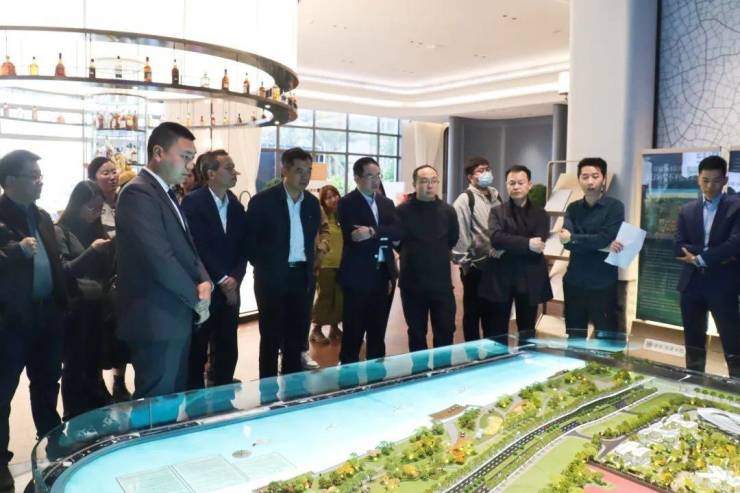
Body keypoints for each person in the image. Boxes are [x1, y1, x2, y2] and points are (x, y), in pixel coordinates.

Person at [115, 122, 212, 399]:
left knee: (170, 399)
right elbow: (159, 258)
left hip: (174, 316)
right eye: (186, 157)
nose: (191, 166)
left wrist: (205, 281)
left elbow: (188, 250)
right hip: (156, 318)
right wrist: (196, 298)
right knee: (154, 405)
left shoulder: (166, 192)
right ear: (158, 153)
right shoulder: (137, 192)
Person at [0, 150, 68, 493]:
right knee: (2, 394)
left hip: (47, 317)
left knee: (46, 384)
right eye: (33, 175)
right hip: (10, 321)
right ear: (11, 180)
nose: (40, 181)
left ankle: (50, 447)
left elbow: (55, 264)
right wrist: (16, 251)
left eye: (40, 175)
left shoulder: (41, 216)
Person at [245, 147, 321, 378]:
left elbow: (312, 239)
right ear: (284, 170)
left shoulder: (311, 203)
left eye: (308, 171)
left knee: (296, 338)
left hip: (302, 277)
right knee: (270, 337)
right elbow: (250, 242)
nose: (305, 176)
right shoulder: (263, 202)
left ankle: (292, 388)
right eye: (299, 171)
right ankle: (267, 390)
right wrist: (267, 266)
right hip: (272, 277)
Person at [181, 150, 248, 388]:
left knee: (227, 346)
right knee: (198, 348)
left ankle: (224, 393)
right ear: (211, 174)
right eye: (228, 168)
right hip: (205, 286)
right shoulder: (193, 202)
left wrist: (235, 278)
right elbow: (197, 247)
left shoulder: (236, 206)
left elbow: (243, 246)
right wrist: (221, 279)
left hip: (231, 288)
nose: (235, 172)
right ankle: (195, 399)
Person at [674, 155, 740, 377]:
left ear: (725, 180)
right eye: (705, 180)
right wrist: (714, 253)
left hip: (723, 285)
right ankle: (693, 383)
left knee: (733, 342)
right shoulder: (687, 210)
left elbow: (735, 244)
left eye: (716, 181)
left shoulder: (736, 207)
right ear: (698, 179)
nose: (710, 186)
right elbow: (678, 246)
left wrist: (700, 257)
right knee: (693, 343)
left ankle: (736, 388)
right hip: (691, 285)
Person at [55, 180, 115, 419]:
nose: (95, 213)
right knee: (75, 364)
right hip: (75, 308)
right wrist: (92, 251)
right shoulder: (61, 230)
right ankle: (73, 414)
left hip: (98, 306)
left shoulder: (97, 229)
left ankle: (95, 411)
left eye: (99, 208)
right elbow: (64, 271)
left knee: (94, 360)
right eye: (91, 208)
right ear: (77, 205)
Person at [337, 157, 401, 364]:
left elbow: (397, 231)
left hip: (383, 275)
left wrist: (373, 231)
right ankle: (348, 376)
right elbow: (354, 236)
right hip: (357, 276)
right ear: (357, 178)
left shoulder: (386, 203)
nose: (375, 180)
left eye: (378, 175)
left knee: (378, 331)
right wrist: (383, 232)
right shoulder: (347, 203)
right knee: (353, 332)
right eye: (370, 176)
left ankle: (377, 375)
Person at [480, 165, 552, 339]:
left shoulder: (541, 214)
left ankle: (525, 356)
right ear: (506, 185)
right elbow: (496, 238)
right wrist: (527, 243)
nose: (516, 187)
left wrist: (506, 246)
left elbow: (538, 246)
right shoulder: (497, 211)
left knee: (527, 330)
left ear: (529, 185)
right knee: (497, 330)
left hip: (529, 276)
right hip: (501, 277)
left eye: (520, 182)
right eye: (512, 183)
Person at [559, 157, 625, 340]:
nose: (590, 181)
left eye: (595, 176)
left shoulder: (615, 207)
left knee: (606, 336)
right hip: (574, 281)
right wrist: (601, 245)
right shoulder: (572, 208)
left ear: (603, 179)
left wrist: (574, 238)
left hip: (603, 282)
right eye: (585, 177)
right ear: (579, 179)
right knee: (575, 336)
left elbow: (605, 237)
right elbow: (566, 243)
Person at [397, 165, 459, 351]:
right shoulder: (402, 211)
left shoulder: (448, 211)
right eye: (424, 181)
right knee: (416, 333)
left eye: (433, 181)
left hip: (441, 283)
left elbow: (452, 239)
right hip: (412, 284)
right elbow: (397, 241)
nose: (429, 185)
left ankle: (443, 368)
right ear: (415, 184)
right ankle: (420, 368)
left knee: (445, 331)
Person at [87, 156, 131, 401]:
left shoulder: (126, 200)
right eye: (105, 172)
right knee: (100, 334)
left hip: (124, 276)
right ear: (93, 178)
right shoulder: (90, 205)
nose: (112, 176)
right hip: (99, 278)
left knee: (120, 334)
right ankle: (97, 384)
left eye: (114, 171)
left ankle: (119, 381)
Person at [452, 156, 503, 341]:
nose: (486, 173)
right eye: (480, 171)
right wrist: (466, 264)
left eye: (487, 169)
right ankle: (472, 353)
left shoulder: (496, 196)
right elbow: (460, 234)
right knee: (473, 315)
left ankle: (492, 352)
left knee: (494, 315)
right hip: (476, 268)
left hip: (496, 266)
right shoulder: (465, 199)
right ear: (470, 177)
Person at [310, 185, 344, 345]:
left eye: (335, 195)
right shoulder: (320, 217)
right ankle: (316, 330)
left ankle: (334, 327)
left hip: (340, 263)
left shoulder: (340, 217)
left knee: (338, 298)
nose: (333, 199)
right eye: (328, 197)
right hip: (325, 264)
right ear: (323, 201)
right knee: (325, 297)